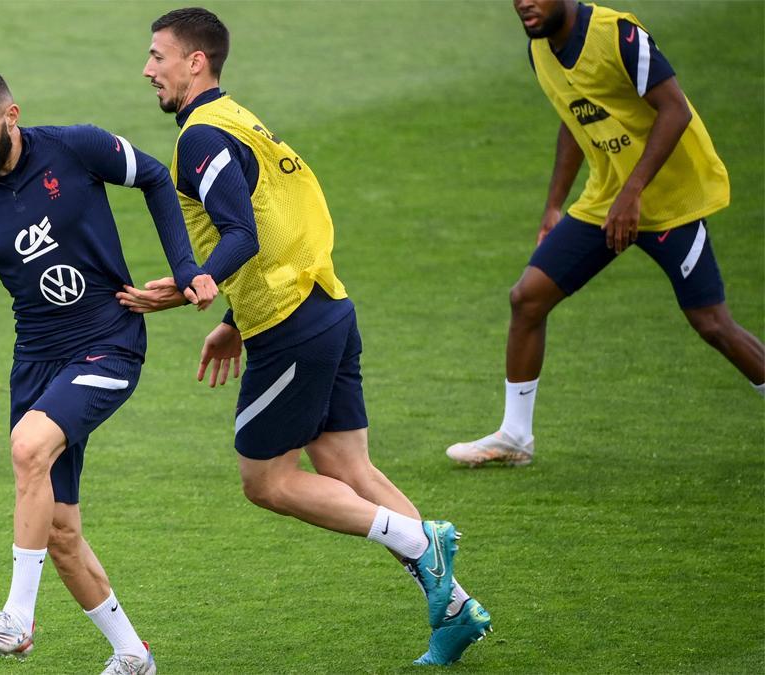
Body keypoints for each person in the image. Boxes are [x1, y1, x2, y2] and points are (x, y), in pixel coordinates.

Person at [119, 8, 491, 666]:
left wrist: (192, 287)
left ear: (195, 61)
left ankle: (420, 540)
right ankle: (456, 606)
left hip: (290, 324)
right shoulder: (243, 122)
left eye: (158, 56)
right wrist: (232, 319)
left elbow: (241, 233)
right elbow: (285, 217)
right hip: (325, 307)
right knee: (349, 469)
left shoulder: (201, 137)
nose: (149, 69)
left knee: (266, 480)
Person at [0, 67, 217, 675]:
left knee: (28, 446)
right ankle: (132, 654)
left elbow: (154, 176)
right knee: (60, 532)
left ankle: (18, 618)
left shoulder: (75, 147)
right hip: (37, 364)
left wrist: (184, 268)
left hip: (109, 341)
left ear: (11, 115)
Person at [447, 0, 765, 467]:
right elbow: (574, 118)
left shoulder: (618, 34)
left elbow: (674, 110)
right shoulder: (541, 50)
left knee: (712, 324)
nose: (523, 3)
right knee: (528, 299)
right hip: (607, 200)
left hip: (670, 200)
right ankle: (515, 436)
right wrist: (554, 205)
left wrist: (633, 192)